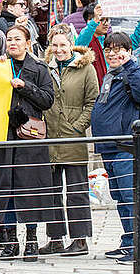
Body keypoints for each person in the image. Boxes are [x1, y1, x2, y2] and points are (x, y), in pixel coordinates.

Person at [0, 24, 54, 261]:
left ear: (27, 43)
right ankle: (10, 240)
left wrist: (26, 87)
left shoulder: (39, 68)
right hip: (3, 136)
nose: (13, 43)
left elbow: (48, 100)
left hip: (29, 136)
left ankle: (31, 239)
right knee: (6, 189)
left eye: (17, 39)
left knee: (30, 189)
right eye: (9, 39)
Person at [91, 30, 140, 262]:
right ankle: (130, 241)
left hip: (129, 146)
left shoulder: (135, 73)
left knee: (134, 195)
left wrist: (132, 66)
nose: (113, 54)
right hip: (111, 145)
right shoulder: (112, 75)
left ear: (129, 51)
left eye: (119, 49)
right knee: (121, 197)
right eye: (109, 49)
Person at [39, 25, 99, 256]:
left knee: (76, 190)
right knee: (51, 190)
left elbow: (92, 102)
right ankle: (55, 237)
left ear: (71, 44)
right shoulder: (45, 67)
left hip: (73, 135)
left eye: (63, 45)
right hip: (50, 136)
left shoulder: (85, 68)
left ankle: (79, 239)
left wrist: (78, 125)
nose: (59, 49)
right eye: (55, 45)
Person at [76, 4, 140, 86]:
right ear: (90, 21)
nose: (106, 23)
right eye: (102, 20)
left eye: (108, 20)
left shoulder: (109, 39)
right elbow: (80, 43)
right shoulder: (86, 39)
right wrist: (95, 21)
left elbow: (131, 43)